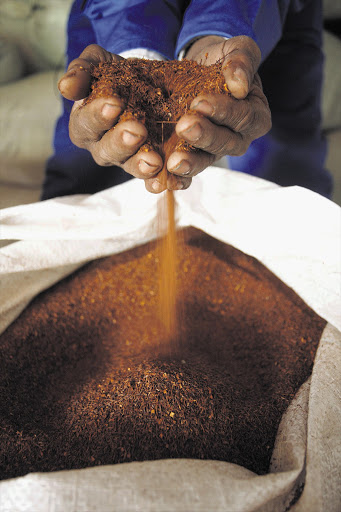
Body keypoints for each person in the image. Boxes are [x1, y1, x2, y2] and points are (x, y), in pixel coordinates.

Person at [42, 0, 333, 200]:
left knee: (282, 173)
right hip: (116, 12)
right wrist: (134, 62)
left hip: (260, 12)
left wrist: (217, 33)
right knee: (85, 175)